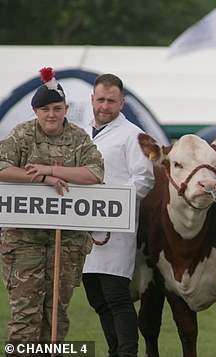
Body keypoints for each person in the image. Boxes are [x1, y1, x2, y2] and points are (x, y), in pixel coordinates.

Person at [0, 67, 104, 345]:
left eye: (57, 108)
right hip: (24, 242)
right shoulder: (21, 135)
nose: (51, 114)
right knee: (25, 314)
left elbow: (94, 174)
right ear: (36, 111)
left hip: (66, 243)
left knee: (57, 313)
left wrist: (52, 170)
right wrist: (43, 179)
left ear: (65, 109)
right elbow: (2, 168)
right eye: (45, 109)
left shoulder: (80, 138)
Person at [82, 73, 155, 357]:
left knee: (116, 296)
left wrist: (109, 196)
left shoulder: (134, 135)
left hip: (115, 231)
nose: (105, 106)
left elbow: (144, 180)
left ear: (121, 103)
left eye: (111, 101)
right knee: (96, 298)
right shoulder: (79, 132)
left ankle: (127, 351)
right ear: (92, 100)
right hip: (84, 229)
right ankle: (115, 350)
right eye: (100, 99)